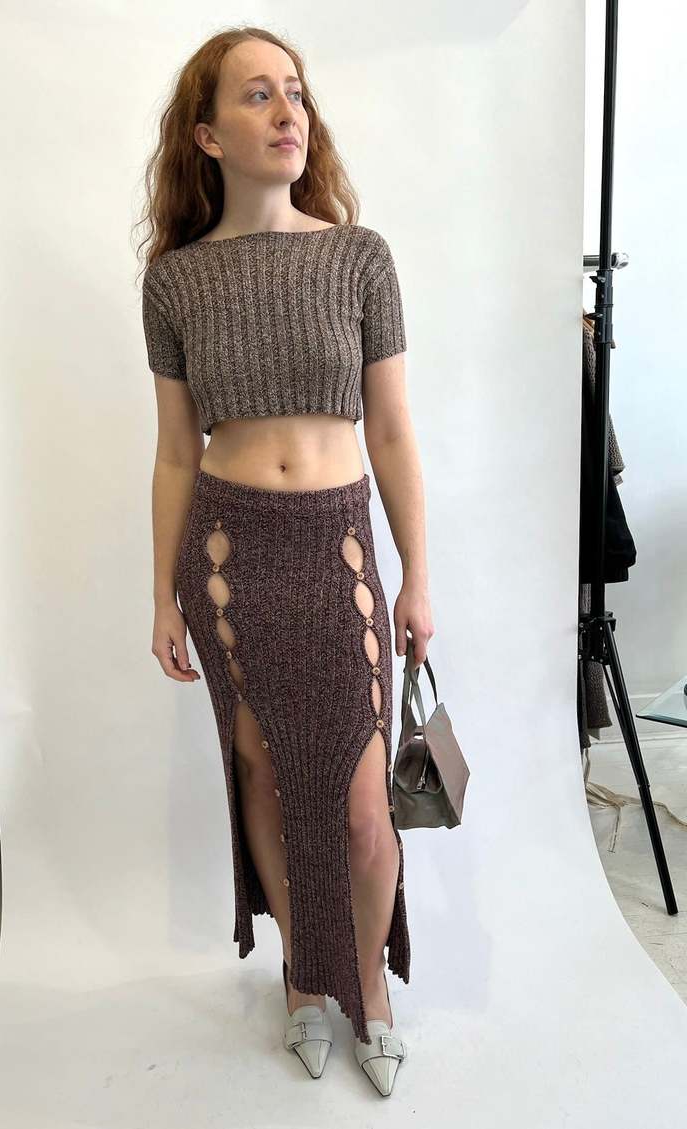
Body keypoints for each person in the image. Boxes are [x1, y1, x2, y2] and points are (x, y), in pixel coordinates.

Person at [136, 25, 433, 1096]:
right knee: (261, 772)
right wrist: (161, 593)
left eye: (295, 92)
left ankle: (370, 984)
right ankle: (305, 978)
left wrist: (417, 573)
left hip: (337, 545)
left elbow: (390, 430)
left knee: (361, 807)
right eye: (258, 94)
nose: (287, 111)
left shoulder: (358, 257)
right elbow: (176, 451)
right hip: (227, 559)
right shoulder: (174, 282)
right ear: (208, 134)